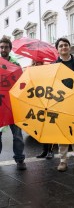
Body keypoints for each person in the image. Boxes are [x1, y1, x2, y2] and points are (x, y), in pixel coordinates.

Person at [54, 37, 74, 172]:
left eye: (66, 45)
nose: (64, 47)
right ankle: (63, 160)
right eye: (61, 46)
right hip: (60, 104)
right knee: (62, 133)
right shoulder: (53, 66)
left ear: (69, 47)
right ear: (57, 49)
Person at [0, 36, 26, 170]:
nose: (3, 49)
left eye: (6, 47)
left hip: (13, 105)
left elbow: (22, 83)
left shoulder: (16, 64)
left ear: (10, 49)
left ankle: (20, 160)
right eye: (1, 47)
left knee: (17, 135)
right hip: (0, 105)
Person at [29, 60, 55, 160]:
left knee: (50, 128)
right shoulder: (31, 73)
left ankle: (50, 151)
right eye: (34, 63)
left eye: (38, 62)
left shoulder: (47, 72)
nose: (36, 64)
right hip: (38, 104)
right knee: (42, 129)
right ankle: (44, 150)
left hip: (48, 103)